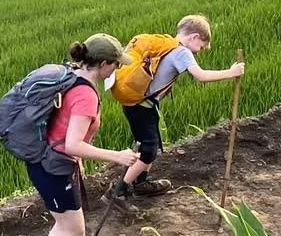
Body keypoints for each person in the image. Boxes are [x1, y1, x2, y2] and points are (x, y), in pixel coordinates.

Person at [0, 33, 140, 236]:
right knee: (74, 232)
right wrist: (117, 156)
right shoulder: (86, 95)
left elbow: (64, 131)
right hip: (53, 168)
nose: (117, 68)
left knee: (63, 228)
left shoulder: (71, 75)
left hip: (50, 162)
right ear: (103, 64)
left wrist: (77, 161)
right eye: (115, 64)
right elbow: (73, 143)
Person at [103, 13, 244, 212]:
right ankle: (118, 191)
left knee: (150, 144)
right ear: (194, 37)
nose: (199, 51)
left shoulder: (165, 45)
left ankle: (141, 183)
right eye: (201, 46)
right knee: (149, 150)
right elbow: (201, 76)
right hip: (143, 107)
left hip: (136, 104)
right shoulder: (181, 52)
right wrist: (231, 73)